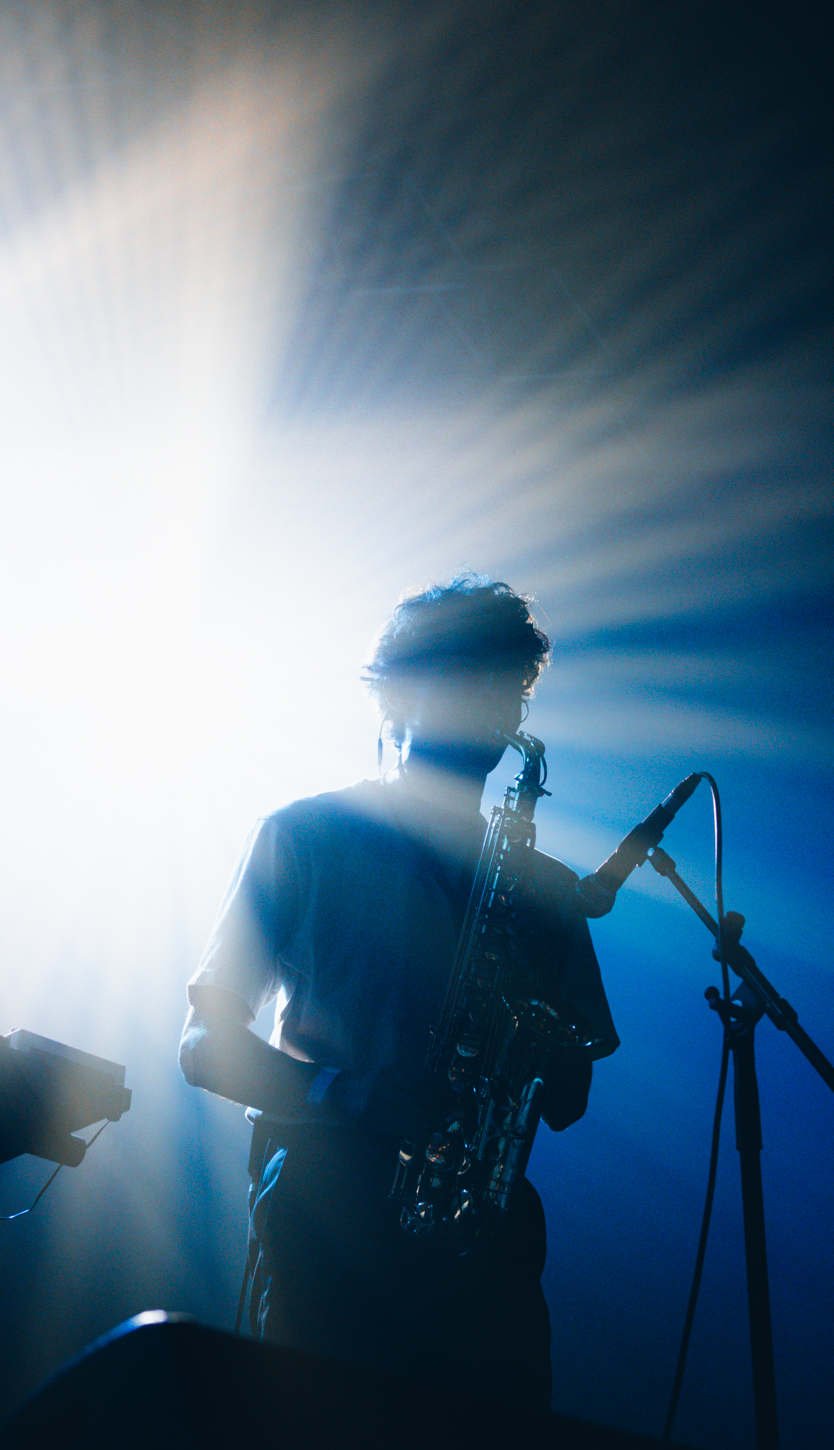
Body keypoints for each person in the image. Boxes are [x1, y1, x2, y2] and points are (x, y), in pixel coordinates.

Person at [179, 577, 618, 1407]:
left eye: (502, 687)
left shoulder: (546, 890)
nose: (485, 707)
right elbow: (202, 1048)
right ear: (393, 695)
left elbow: (569, 1100)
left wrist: (529, 1038)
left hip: (483, 1234)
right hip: (328, 1209)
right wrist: (350, 1093)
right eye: (459, 678)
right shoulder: (304, 835)